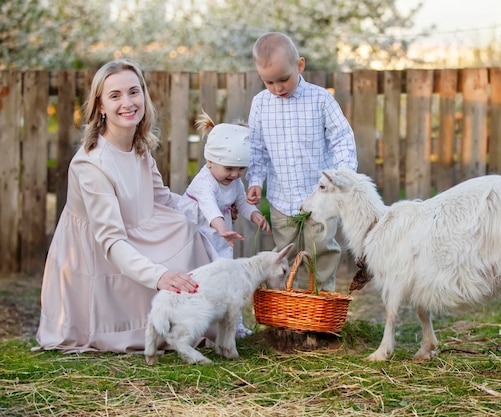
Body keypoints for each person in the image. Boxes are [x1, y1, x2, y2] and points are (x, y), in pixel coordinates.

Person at [35, 59, 211, 353]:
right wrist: (159, 276)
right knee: (172, 254)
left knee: (184, 226)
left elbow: (163, 199)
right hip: (100, 255)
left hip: (134, 234)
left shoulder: (138, 147)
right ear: (100, 106)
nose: (127, 103)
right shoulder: (91, 165)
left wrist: (211, 212)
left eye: (133, 92)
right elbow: (112, 241)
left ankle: (196, 317)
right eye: (115, 96)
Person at [245, 32, 358, 292]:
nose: (277, 88)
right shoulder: (261, 104)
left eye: (283, 79)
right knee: (284, 255)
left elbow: (342, 137)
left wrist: (343, 177)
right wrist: (254, 180)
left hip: (319, 198)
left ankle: (321, 304)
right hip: (282, 199)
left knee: (322, 251)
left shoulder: (320, 99)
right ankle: (288, 311)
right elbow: (256, 148)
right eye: (268, 82)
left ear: (300, 65)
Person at [176, 111, 270, 337]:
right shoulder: (203, 181)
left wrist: (255, 215)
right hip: (198, 231)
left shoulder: (234, 181)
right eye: (229, 169)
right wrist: (221, 228)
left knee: (228, 275)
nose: (236, 175)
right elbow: (208, 207)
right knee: (201, 276)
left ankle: (233, 325)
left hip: (220, 234)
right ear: (210, 161)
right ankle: (192, 322)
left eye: (241, 170)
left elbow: (242, 201)